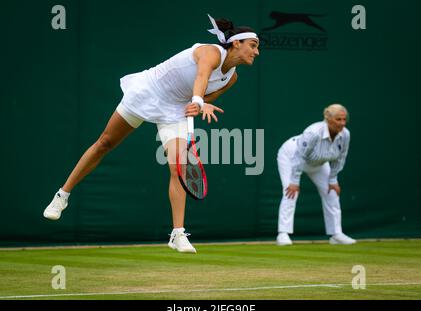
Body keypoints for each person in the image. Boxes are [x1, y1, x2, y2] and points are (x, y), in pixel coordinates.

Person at [43, 15, 260, 254]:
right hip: (150, 90)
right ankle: (62, 194)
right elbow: (201, 77)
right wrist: (198, 100)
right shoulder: (211, 52)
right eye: (253, 45)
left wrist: (203, 104)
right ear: (236, 43)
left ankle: (177, 233)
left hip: (176, 109)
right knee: (105, 143)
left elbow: (204, 96)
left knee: (179, 167)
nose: (256, 52)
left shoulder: (232, 78)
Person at [276, 104, 356, 246]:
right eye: (338, 119)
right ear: (328, 119)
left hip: (318, 163)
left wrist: (333, 179)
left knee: (332, 192)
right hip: (291, 157)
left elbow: (341, 158)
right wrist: (294, 181)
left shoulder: (345, 135)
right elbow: (298, 156)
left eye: (344, 120)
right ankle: (283, 234)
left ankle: (336, 234)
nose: (342, 123)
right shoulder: (313, 132)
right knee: (290, 192)